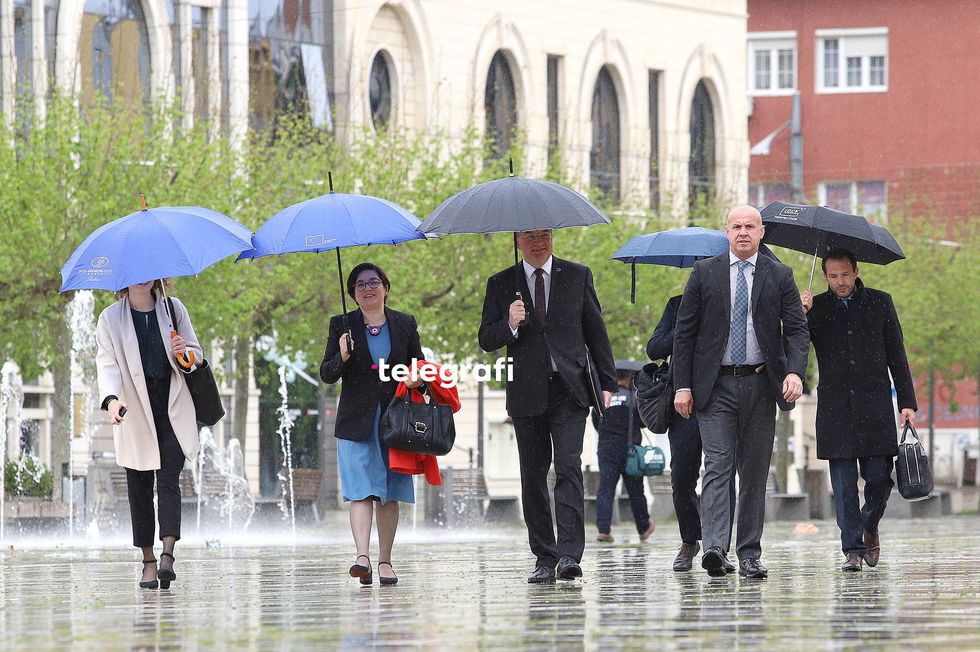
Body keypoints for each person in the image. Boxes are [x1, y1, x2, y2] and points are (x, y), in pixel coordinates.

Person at [672, 205, 809, 579]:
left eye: (750, 226)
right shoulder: (705, 273)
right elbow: (685, 333)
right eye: (737, 226)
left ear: (761, 232)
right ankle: (715, 547)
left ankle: (749, 553)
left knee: (753, 472)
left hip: (761, 385)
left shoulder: (779, 275)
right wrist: (682, 385)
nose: (743, 232)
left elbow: (797, 330)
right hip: (714, 387)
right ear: (726, 231)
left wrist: (795, 372)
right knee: (716, 466)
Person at [479, 229, 617, 583]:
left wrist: (607, 382)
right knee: (533, 476)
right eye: (531, 236)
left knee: (569, 467)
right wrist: (509, 324)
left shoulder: (577, 275)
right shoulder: (500, 283)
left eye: (545, 235)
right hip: (526, 393)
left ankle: (570, 554)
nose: (539, 242)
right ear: (517, 241)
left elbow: (595, 330)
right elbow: (485, 339)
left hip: (569, 391)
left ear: (552, 237)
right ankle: (544, 555)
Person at [801, 250, 917, 572]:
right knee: (843, 485)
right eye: (833, 276)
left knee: (880, 478)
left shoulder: (881, 303)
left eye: (844, 274)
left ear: (856, 271)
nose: (840, 282)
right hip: (835, 408)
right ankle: (851, 550)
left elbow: (897, 353)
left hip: (875, 406)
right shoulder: (817, 309)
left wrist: (907, 403)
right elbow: (794, 346)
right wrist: (798, 315)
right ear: (825, 276)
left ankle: (870, 525)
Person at [320, 262, 424, 586]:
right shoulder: (342, 325)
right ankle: (362, 557)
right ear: (352, 293)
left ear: (385, 287)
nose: (367, 288)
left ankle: (385, 562)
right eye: (360, 284)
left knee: (389, 493)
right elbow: (327, 374)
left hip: (395, 420)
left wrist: (418, 378)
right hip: (355, 422)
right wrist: (342, 357)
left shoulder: (404, 324)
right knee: (360, 491)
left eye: (373, 282)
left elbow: (422, 367)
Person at [95, 279, 203, 589]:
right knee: (139, 486)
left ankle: (168, 554)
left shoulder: (173, 308)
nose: (144, 276)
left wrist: (185, 352)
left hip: (172, 406)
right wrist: (111, 401)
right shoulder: (110, 318)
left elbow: (195, 355)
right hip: (135, 408)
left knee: (169, 481)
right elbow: (106, 363)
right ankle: (148, 561)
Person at [647, 295, 735, 573]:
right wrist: (684, 328)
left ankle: (718, 546)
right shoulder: (677, 305)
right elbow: (654, 347)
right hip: (683, 404)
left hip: (721, 398)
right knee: (682, 477)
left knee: (721, 474)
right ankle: (689, 540)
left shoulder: (732, 302)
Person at [592, 366, 654, 544]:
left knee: (606, 489)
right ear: (628, 378)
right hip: (630, 451)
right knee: (636, 492)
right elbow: (643, 420)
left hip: (606, 449)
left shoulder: (604, 396)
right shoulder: (633, 398)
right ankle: (643, 528)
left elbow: (596, 420)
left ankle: (603, 530)